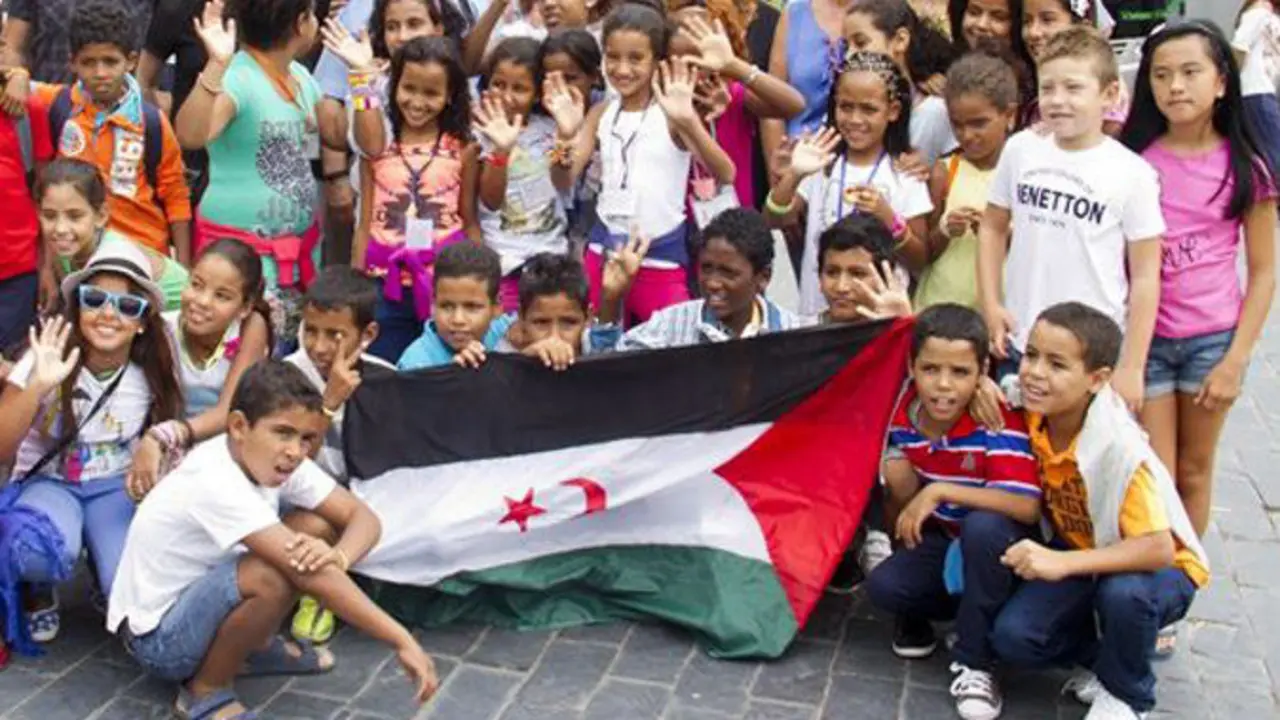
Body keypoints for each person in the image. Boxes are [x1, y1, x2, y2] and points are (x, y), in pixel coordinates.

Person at [107, 361, 438, 720]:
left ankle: (251, 645)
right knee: (273, 570)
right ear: (238, 427)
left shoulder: (273, 457)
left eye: (306, 438)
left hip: (207, 596)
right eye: (283, 432)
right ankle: (204, 691)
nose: (296, 451)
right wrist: (400, 638)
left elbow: (364, 518)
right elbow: (302, 569)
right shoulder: (213, 479)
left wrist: (338, 557)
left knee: (315, 527)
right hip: (160, 640)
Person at [988, 302, 1207, 720]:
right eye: (1031, 354)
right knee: (1016, 639)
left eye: (1056, 364)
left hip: (1157, 568)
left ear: (1098, 379)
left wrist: (1062, 562)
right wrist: (984, 387)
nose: (1035, 372)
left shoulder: (1118, 448)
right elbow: (1005, 387)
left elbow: (1159, 548)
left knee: (1126, 594)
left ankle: (1128, 695)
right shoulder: (1035, 408)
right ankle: (1108, 657)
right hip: (1089, 556)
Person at [1120, 22, 1277, 541]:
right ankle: (1157, 574)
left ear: (1222, 81)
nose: (1176, 87)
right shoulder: (1133, 161)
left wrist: (1236, 361)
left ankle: (1179, 587)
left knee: (1193, 471)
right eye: (1161, 75)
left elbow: (1264, 271)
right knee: (1156, 474)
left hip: (1211, 343)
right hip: (1147, 342)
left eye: (1190, 72)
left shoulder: (1246, 168)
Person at [0, 241, 182, 647]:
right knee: (37, 549)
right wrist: (37, 386)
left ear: (141, 321)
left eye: (126, 306)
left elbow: (168, 426)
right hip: (50, 482)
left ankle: (103, 575)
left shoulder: (151, 369)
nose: (108, 314)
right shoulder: (46, 355)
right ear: (78, 305)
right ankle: (38, 587)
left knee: (127, 580)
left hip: (112, 488)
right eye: (95, 299)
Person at [865, 303, 1040, 720]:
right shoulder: (902, 410)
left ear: (982, 372)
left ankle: (976, 660)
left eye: (961, 373)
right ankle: (966, 613)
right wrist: (907, 494)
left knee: (984, 527)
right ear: (912, 366)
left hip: (1003, 552)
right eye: (930, 370)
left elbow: (1027, 506)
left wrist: (940, 490)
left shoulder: (994, 418)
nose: (943, 386)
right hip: (948, 543)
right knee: (886, 586)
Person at [976, 25, 1163, 413]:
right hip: (1022, 340)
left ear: (1109, 94)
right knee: (1018, 458)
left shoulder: (1133, 173)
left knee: (1079, 464)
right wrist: (992, 304)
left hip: (1089, 353)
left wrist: (1132, 366)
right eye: (1048, 88)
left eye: (1074, 88)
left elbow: (1146, 275)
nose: (1058, 100)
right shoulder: (1021, 150)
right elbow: (992, 227)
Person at [545, 4, 736, 325]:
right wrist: (564, 136)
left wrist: (688, 121)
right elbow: (563, 180)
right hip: (604, 252)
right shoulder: (600, 114)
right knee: (595, 342)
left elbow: (726, 172)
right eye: (613, 57)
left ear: (657, 60)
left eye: (635, 59)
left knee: (675, 346)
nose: (622, 69)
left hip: (659, 258)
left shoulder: (673, 114)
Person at [177, 0, 346, 355]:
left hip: (298, 256)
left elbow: (333, 134)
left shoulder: (298, 75)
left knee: (283, 362)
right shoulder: (237, 77)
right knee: (246, 364)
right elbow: (191, 135)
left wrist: (360, 78)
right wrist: (216, 66)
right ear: (301, 24)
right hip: (244, 262)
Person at [328, 34, 478, 362]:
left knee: (437, 371)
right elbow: (364, 223)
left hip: (443, 284)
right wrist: (357, 286)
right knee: (384, 368)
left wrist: (481, 280)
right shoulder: (378, 148)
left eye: (431, 93)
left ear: (450, 95)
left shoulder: (462, 149)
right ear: (394, 87)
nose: (417, 101)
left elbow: (469, 219)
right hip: (383, 284)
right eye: (408, 88)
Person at [23, 0, 193, 266]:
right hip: (75, 258)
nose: (100, 73)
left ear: (131, 61)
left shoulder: (151, 122)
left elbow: (176, 196)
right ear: (73, 64)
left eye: (110, 61)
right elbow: (16, 85)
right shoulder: (58, 106)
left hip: (143, 257)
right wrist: (16, 77)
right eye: (88, 62)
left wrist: (183, 267)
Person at [765, 51, 933, 317]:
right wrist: (794, 175)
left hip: (878, 317)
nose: (855, 120)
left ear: (893, 111)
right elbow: (775, 219)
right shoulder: (821, 161)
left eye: (868, 109)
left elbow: (919, 260)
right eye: (845, 107)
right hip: (819, 312)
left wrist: (889, 218)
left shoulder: (905, 175)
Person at [283, 267, 396, 645]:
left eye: (335, 335)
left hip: (361, 504)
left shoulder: (386, 380)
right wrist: (328, 403)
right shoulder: (286, 378)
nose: (319, 346)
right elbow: (288, 464)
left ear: (368, 335)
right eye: (310, 330)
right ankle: (318, 593)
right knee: (313, 528)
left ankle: (339, 574)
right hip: (302, 504)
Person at [126, 238, 274, 503]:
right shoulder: (162, 330)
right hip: (171, 449)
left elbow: (227, 411)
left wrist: (165, 435)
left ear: (245, 306)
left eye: (222, 296)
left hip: (229, 446)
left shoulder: (251, 327)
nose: (202, 301)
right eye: (196, 285)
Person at [608, 208, 811, 350]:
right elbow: (608, 372)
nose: (712, 283)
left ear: (763, 277)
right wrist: (610, 300)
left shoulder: (793, 335)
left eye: (728, 272)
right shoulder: (669, 326)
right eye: (706, 268)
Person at [667, 6, 805, 210]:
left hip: (736, 228)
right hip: (677, 228)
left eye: (701, 62)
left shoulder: (733, 94)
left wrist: (734, 66)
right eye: (681, 64)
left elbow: (794, 105)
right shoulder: (660, 104)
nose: (693, 74)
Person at [473, 37, 569, 313]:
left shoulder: (551, 129)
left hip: (551, 255)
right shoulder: (479, 134)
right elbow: (490, 200)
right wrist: (500, 150)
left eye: (520, 88)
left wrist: (565, 136)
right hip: (505, 260)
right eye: (498, 84)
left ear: (537, 94)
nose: (507, 96)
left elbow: (563, 178)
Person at [916, 51, 1018, 311]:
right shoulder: (944, 172)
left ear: (1009, 115)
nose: (967, 135)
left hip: (1000, 311)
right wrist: (945, 229)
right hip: (942, 305)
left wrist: (1001, 233)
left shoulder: (1024, 174)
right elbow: (925, 252)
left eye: (979, 124)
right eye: (957, 125)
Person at [36, 160, 189, 313]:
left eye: (75, 216)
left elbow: (119, 321)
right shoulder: (66, 247)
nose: (60, 228)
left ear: (101, 216)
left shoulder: (113, 261)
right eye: (49, 216)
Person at [842, 0, 958, 165]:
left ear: (900, 40)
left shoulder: (934, 113)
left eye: (861, 43)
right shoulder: (844, 111)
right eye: (846, 46)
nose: (848, 55)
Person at [0, 13, 54, 354]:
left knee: (12, 374)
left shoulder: (24, 107)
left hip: (16, 275)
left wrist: (47, 268)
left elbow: (46, 196)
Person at [495, 251, 635, 366]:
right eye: (541, 323)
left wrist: (611, 299)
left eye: (569, 323)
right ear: (521, 318)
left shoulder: (592, 351)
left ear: (588, 318)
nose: (554, 337)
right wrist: (523, 362)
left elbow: (606, 345)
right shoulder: (502, 354)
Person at [397, 242, 514, 370]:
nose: (458, 320)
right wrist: (452, 377)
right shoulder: (416, 364)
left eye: (472, 307)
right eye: (446, 306)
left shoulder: (508, 333)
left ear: (496, 306)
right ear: (433, 304)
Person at [538, 29, 604, 253]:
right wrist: (564, 139)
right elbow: (562, 179)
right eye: (550, 79)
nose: (561, 88)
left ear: (594, 76)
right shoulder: (537, 119)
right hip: (553, 230)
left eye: (571, 78)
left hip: (595, 226)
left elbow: (568, 176)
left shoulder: (603, 111)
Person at [1020, 0, 1127, 133]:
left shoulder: (1103, 94)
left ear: (1082, 26)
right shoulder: (1026, 78)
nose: (1033, 32)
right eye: (1026, 21)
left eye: (1047, 20)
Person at [1232, 0, 1280, 177]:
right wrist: (1231, 83)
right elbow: (1239, 47)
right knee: (1274, 156)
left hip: (1263, 92)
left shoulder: (1270, 14)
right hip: (1255, 91)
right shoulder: (1259, 9)